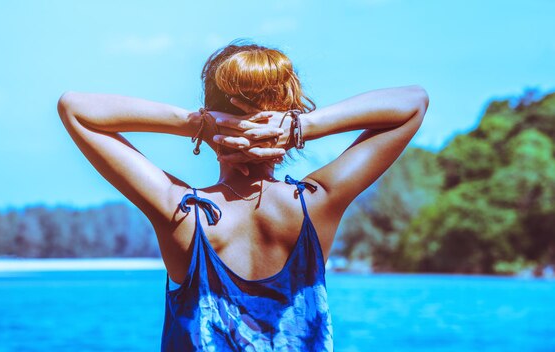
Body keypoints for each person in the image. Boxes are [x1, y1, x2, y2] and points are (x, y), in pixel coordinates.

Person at [57, 41, 429, 351]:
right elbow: (413, 102)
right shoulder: (317, 202)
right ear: (288, 112)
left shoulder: (184, 213)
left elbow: (75, 108)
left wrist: (198, 123)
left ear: (210, 110)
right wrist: (304, 126)